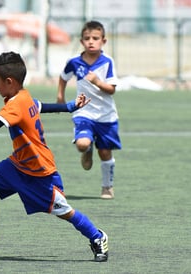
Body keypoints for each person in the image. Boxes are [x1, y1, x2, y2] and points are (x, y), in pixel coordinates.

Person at [0, 51, 108, 262]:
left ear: (9, 81)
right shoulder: (22, 96)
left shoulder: (15, 104)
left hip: (39, 171)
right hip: (18, 164)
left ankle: (97, 237)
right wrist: (70, 106)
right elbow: (41, 106)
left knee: (64, 211)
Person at [56, 20, 121, 199]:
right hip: (83, 112)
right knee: (82, 143)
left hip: (106, 115)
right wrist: (60, 97)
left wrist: (98, 82)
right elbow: (63, 77)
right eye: (87, 38)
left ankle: (107, 187)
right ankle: (86, 149)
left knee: (105, 152)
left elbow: (112, 89)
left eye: (95, 38)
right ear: (81, 41)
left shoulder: (107, 62)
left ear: (103, 41)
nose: (91, 41)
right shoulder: (75, 62)